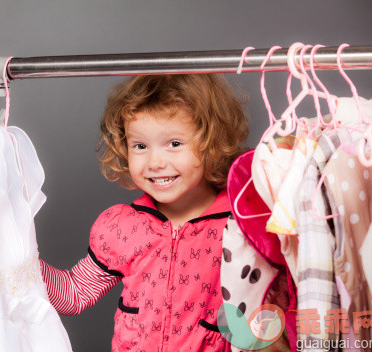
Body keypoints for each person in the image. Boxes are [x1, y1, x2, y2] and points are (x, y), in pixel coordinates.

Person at [40, 74, 250, 351]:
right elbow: (74, 294)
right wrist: (18, 260)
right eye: (140, 146)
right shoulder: (123, 228)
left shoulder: (241, 225)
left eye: (174, 143)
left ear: (212, 141)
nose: (156, 162)